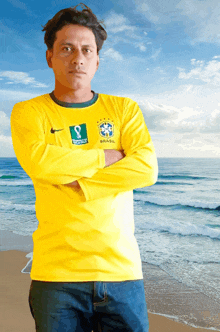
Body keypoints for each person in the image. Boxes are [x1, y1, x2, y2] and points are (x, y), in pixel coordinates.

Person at [10, 3, 158, 332]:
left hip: (121, 272)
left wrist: (83, 185)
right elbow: (39, 162)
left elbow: (146, 168)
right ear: (50, 56)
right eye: (66, 48)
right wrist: (104, 157)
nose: (77, 58)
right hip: (56, 275)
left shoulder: (124, 110)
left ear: (96, 60)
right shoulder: (29, 112)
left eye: (86, 50)